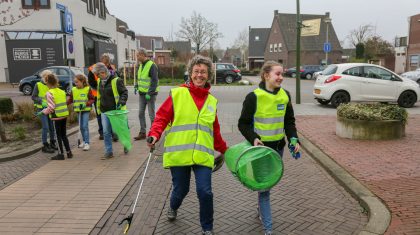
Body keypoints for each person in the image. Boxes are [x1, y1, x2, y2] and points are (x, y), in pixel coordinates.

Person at [147, 55, 227, 235]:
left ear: (208, 75)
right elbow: (161, 117)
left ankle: (207, 228)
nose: (199, 75)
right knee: (181, 190)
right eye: (196, 71)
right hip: (180, 154)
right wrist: (154, 134)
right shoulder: (178, 94)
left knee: (205, 192)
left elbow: (214, 130)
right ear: (190, 73)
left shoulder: (211, 101)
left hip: (202, 156)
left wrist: (224, 150)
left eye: (203, 72)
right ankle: (173, 206)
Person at [238, 61, 301, 235]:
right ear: (266, 75)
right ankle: (268, 229)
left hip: (278, 150)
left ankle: (260, 207)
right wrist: (254, 139)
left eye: (282, 74)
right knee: (265, 189)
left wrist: (294, 140)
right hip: (260, 150)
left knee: (267, 185)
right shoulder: (253, 97)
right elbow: (242, 124)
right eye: (278, 74)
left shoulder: (285, 96)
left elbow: (289, 122)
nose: (281, 77)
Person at [92, 62, 128, 159]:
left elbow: (124, 92)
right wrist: (99, 108)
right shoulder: (100, 81)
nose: (97, 77)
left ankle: (125, 144)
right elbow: (99, 95)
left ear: (103, 72)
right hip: (104, 110)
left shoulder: (116, 80)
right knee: (106, 132)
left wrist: (121, 101)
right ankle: (109, 152)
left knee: (117, 130)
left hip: (115, 110)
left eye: (98, 74)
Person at [39, 73, 72, 160]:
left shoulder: (49, 93)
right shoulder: (62, 91)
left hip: (56, 117)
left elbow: (51, 107)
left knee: (58, 136)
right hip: (64, 115)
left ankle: (60, 154)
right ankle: (69, 152)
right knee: (64, 135)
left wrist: (43, 112)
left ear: (47, 83)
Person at [88, 53, 119, 141]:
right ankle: (102, 132)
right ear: (101, 61)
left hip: (109, 95)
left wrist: (115, 71)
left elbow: (117, 79)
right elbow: (91, 81)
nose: (106, 66)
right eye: (104, 63)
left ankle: (113, 133)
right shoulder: (93, 68)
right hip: (97, 95)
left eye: (107, 64)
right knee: (99, 114)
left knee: (111, 114)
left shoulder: (111, 68)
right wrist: (100, 87)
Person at [133, 47, 159, 141]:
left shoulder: (152, 65)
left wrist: (150, 92)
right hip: (142, 94)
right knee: (140, 113)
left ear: (143, 55)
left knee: (151, 115)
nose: (136, 57)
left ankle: (153, 133)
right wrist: (136, 85)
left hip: (150, 95)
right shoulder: (140, 65)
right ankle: (142, 132)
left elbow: (154, 81)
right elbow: (140, 78)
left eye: (138, 55)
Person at [32, 70, 57, 153]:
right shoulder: (38, 85)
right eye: (47, 77)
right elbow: (34, 97)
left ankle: (52, 142)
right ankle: (45, 145)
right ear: (43, 77)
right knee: (45, 127)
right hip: (41, 109)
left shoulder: (50, 85)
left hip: (50, 109)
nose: (48, 78)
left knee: (51, 127)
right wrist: (41, 101)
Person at [68, 74, 95, 151]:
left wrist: (86, 104)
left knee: (84, 126)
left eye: (77, 82)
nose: (75, 84)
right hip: (78, 110)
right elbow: (70, 99)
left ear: (82, 81)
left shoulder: (87, 89)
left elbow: (92, 99)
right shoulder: (73, 90)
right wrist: (63, 104)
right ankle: (83, 141)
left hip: (85, 110)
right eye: (75, 82)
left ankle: (87, 143)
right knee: (81, 127)